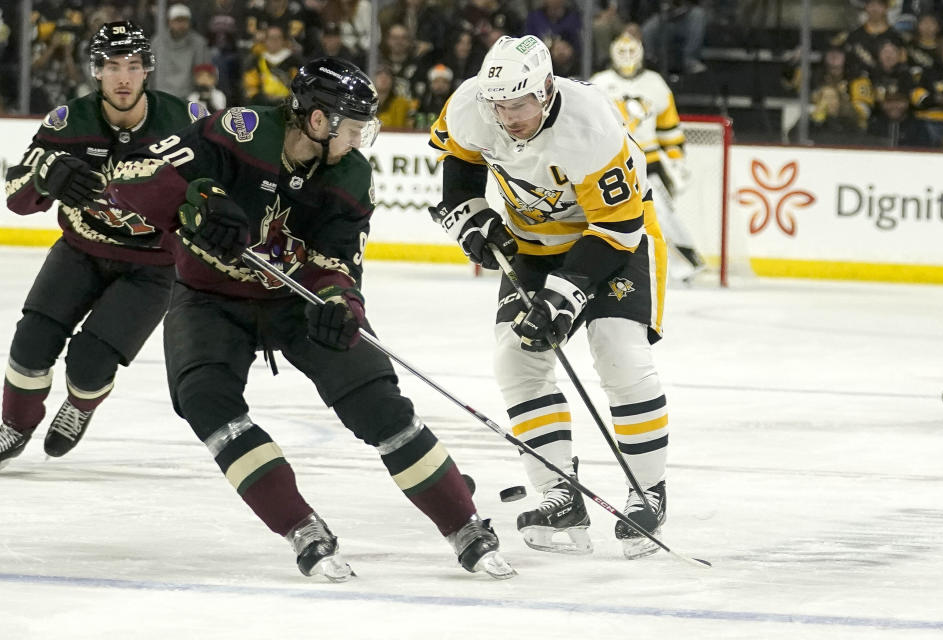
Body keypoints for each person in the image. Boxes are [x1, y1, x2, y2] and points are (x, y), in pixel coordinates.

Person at [106, 58, 515, 581]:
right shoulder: (238, 133)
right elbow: (132, 177)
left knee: (378, 401)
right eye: (353, 127)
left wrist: (343, 306)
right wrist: (197, 198)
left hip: (293, 302)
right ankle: (301, 527)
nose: (359, 139)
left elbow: (340, 264)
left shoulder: (352, 176)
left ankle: (465, 525)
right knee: (205, 399)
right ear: (318, 122)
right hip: (208, 297)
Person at [429, 35, 670, 559]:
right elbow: (460, 162)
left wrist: (564, 299)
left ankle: (647, 491)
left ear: (544, 90)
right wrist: (471, 217)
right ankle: (561, 493)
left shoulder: (590, 124)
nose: (508, 117)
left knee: (619, 354)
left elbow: (618, 229)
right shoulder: (474, 104)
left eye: (518, 105)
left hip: (613, 242)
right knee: (514, 355)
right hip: (532, 244)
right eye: (500, 106)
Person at [0, 21, 208, 469]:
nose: (123, 77)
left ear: (148, 70)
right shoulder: (69, 122)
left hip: (152, 268)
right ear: (96, 71)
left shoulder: (186, 123)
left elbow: (222, 189)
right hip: (80, 251)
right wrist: (44, 177)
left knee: (90, 363)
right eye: (112, 66)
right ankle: (15, 424)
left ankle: (81, 404)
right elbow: (15, 195)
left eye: (133, 66)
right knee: (31, 342)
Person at [591, 32, 704, 282]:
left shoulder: (655, 83)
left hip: (649, 162)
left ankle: (687, 262)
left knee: (661, 214)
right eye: (622, 51)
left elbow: (669, 127)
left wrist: (676, 159)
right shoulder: (599, 83)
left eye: (632, 51)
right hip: (613, 163)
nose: (627, 57)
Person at [150, 4, 211, 99]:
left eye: (184, 21)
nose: (181, 25)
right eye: (177, 21)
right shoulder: (157, 42)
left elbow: (203, 75)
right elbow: (151, 73)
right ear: (169, 22)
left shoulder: (199, 43)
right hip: (161, 95)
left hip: (190, 97)